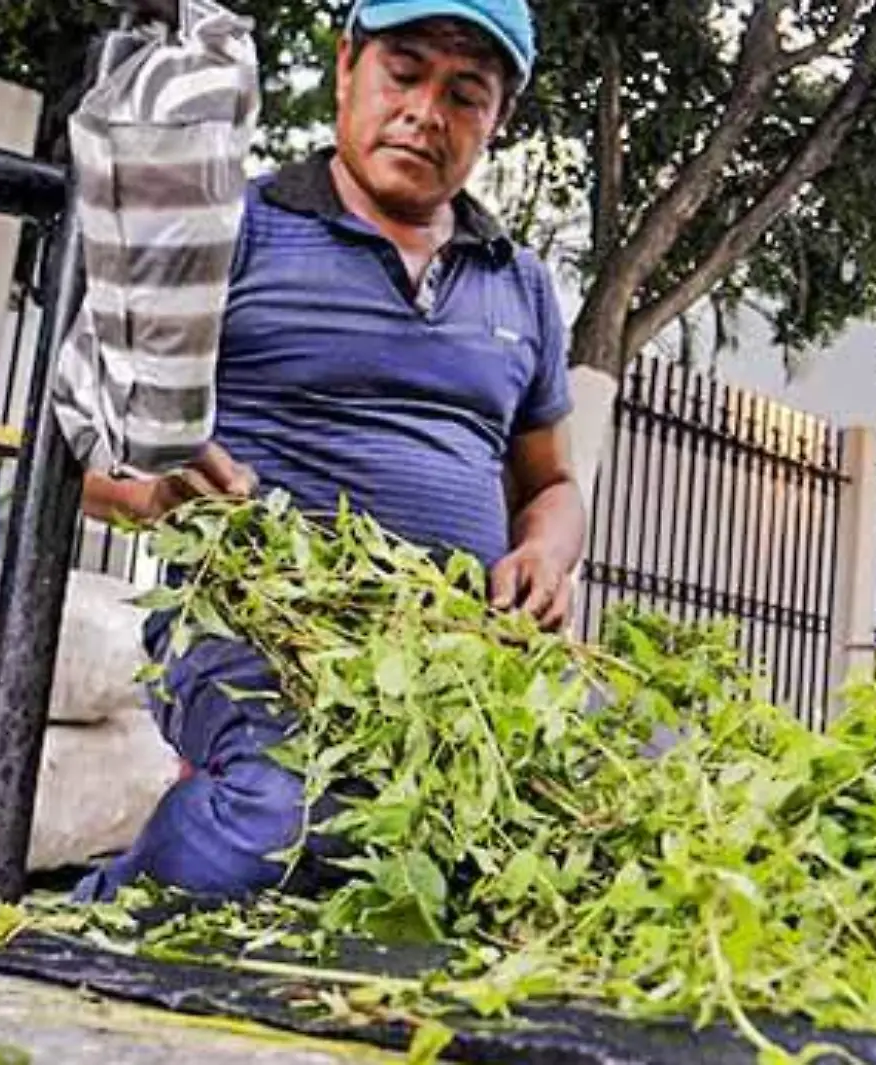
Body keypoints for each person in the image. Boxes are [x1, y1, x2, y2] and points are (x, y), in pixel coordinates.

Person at [76, 0, 582, 900]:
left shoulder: (523, 282)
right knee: (287, 814)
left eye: (465, 93)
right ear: (347, 65)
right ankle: (111, 908)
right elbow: (84, 449)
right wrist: (155, 491)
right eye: (405, 71)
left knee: (621, 795)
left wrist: (545, 549)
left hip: (461, 656)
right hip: (258, 631)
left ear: (496, 121)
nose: (427, 111)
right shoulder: (235, 227)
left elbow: (550, 484)